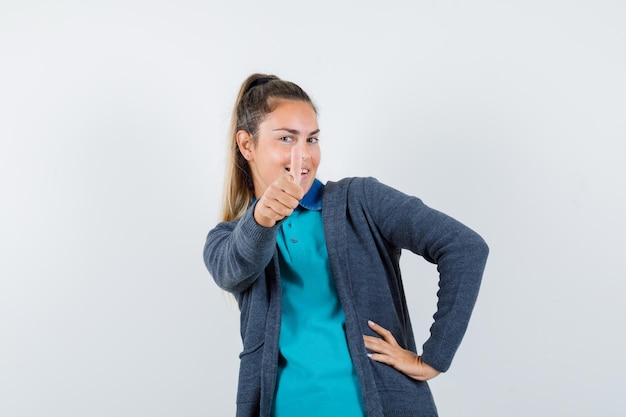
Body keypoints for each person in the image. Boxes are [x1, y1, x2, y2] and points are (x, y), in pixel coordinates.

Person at [203, 73, 489, 417]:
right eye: (286, 139)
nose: (303, 156)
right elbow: (234, 268)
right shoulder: (227, 238)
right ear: (247, 145)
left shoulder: (361, 200)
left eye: (312, 139)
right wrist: (262, 217)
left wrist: (434, 358)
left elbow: (464, 247)